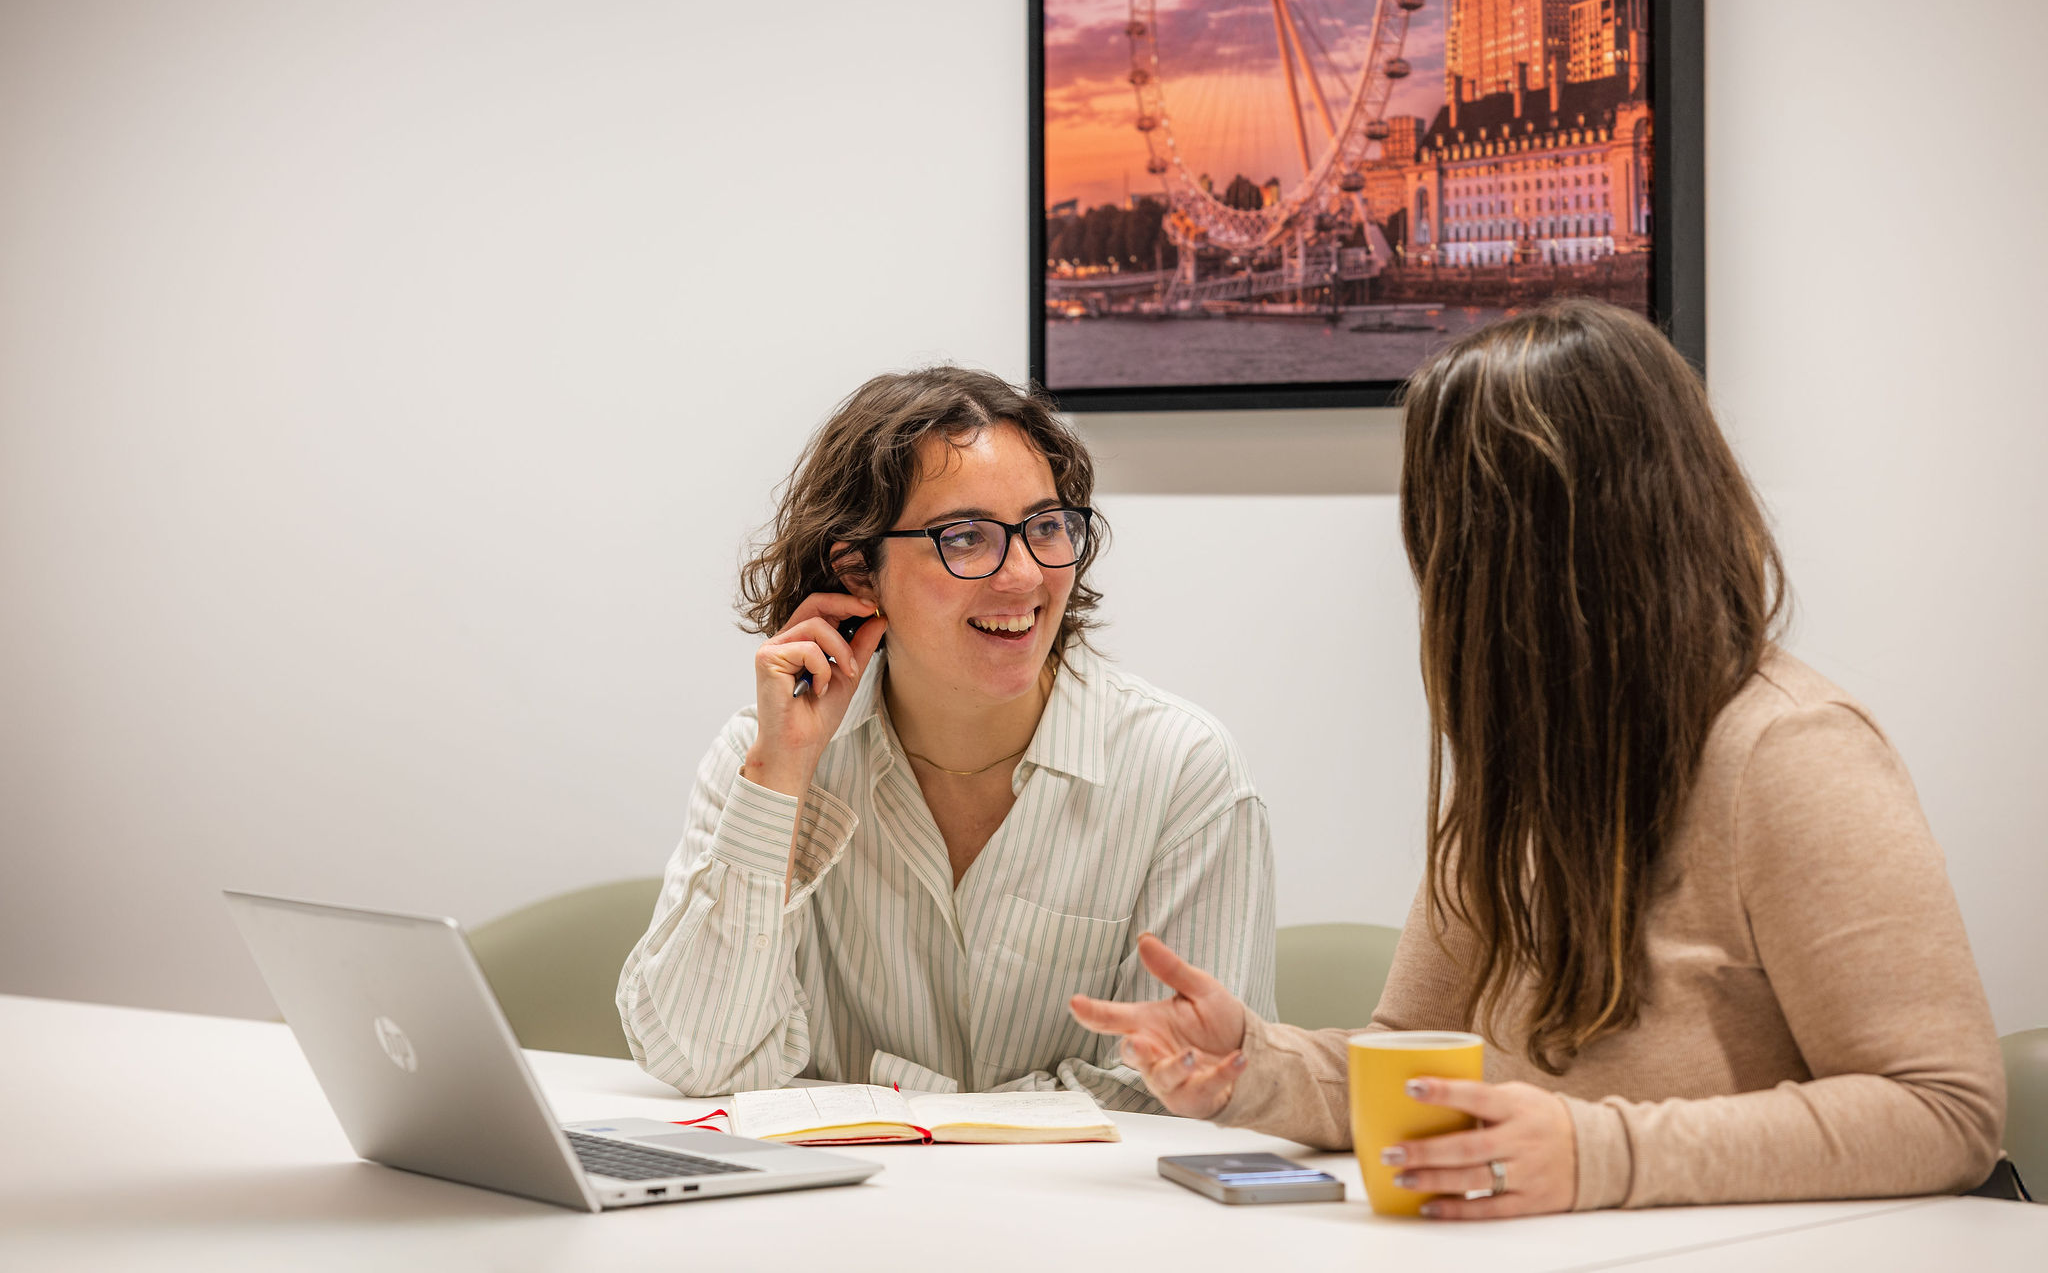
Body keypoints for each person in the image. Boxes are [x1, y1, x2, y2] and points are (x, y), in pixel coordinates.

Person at [1071, 299, 2004, 1213]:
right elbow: (1415, 1063)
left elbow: (1942, 1110)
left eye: (1447, 527)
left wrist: (1597, 1151)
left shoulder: (1791, 753)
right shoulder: (1523, 766)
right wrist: (1250, 1065)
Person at [619, 366, 1275, 1109]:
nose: (1023, 575)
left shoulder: (1182, 772)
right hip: (829, 1216)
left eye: (1046, 527)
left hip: (1087, 1224)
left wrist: (902, 1103)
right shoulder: (767, 754)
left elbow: (1189, 1092)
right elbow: (695, 1055)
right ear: (859, 571)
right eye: (965, 538)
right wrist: (780, 780)